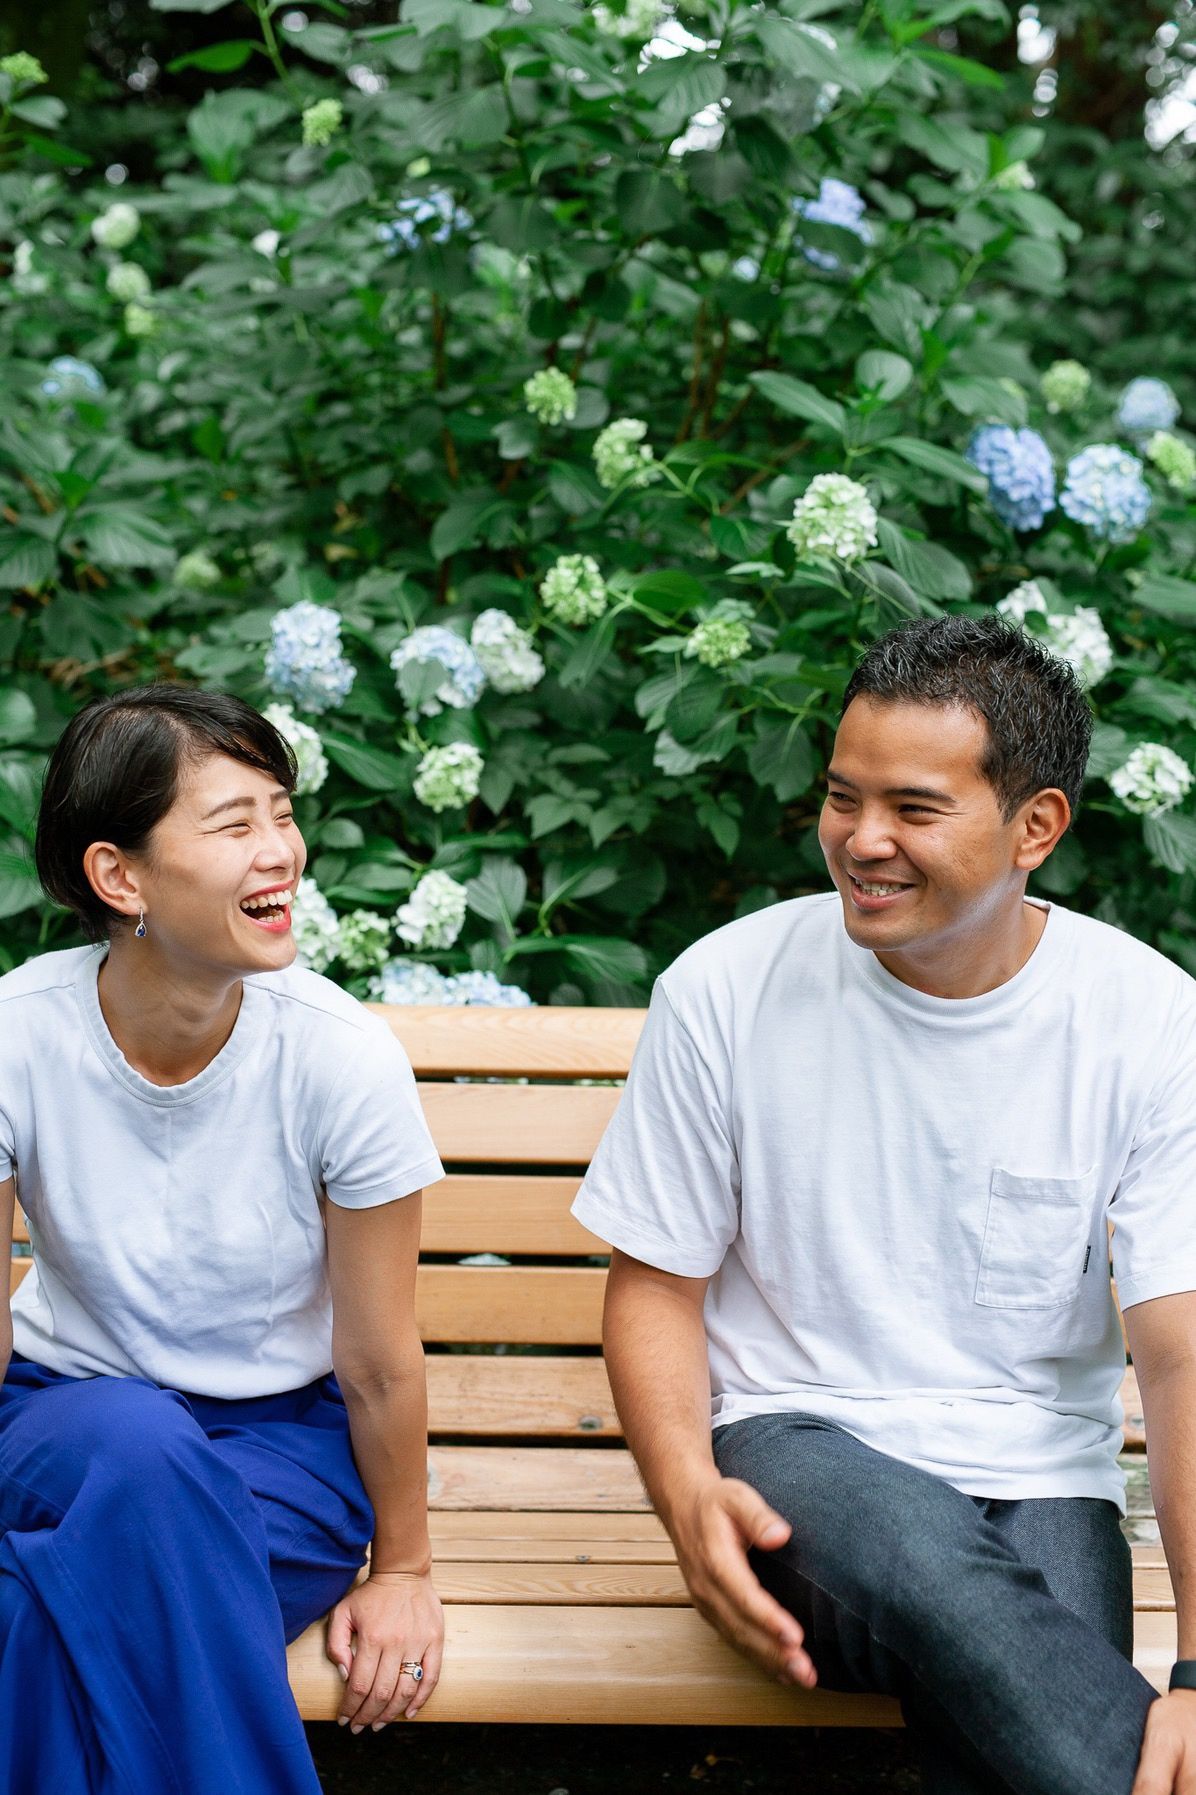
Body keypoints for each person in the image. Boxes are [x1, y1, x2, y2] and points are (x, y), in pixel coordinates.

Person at [574, 616, 1196, 1795]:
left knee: (1018, 1724)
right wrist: (686, 1498)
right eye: (840, 797)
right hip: (797, 1443)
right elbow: (654, 1286)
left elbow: (1180, 1354)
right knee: (930, 1565)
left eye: (912, 808)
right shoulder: (724, 987)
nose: (861, 840)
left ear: (1035, 827)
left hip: (1041, 1472)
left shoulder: (1147, 1020)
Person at [0, 685, 446, 1795]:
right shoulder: (18, 1036)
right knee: (136, 1439)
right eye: (234, 823)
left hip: (283, 1456)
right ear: (120, 877)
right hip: (62, 1425)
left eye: (282, 814)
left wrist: (403, 1568)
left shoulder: (341, 1058)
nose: (280, 851)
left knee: (29, 1613)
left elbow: (377, 1360)